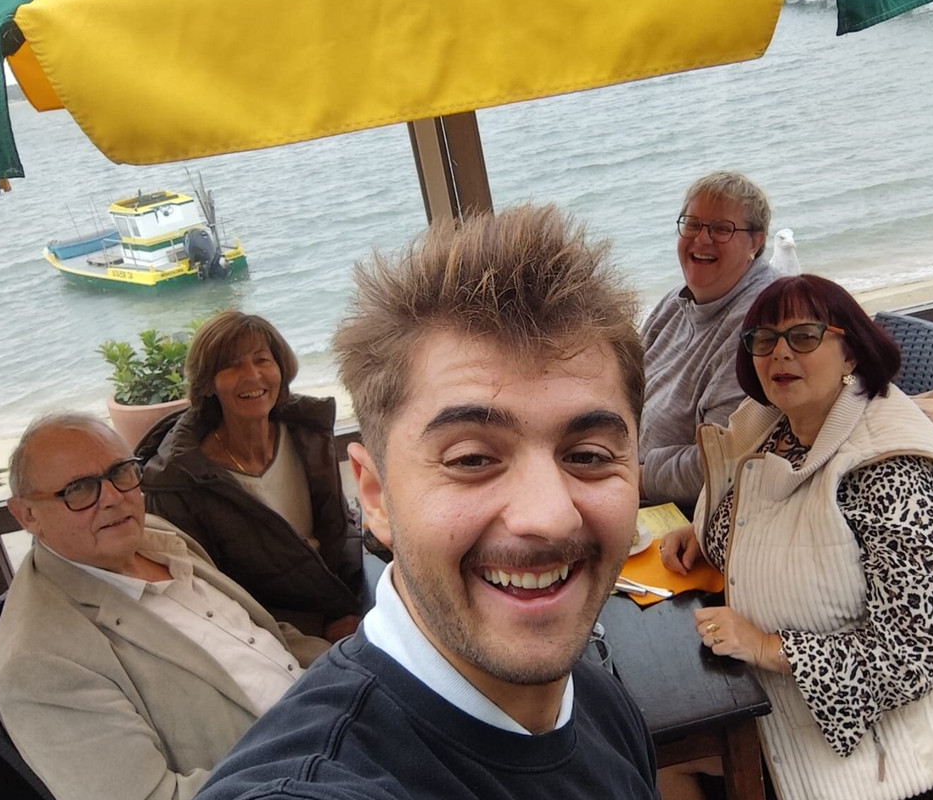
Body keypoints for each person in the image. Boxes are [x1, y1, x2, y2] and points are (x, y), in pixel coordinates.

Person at [196, 204, 660, 800]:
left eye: (589, 456)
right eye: (471, 459)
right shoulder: (320, 784)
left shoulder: (596, 701)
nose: (548, 516)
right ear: (375, 495)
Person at [659, 275, 933, 800]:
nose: (779, 353)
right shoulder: (780, 427)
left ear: (851, 354)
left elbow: (914, 656)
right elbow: (775, 520)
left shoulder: (894, 476)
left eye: (803, 336)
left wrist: (765, 646)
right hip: (779, 691)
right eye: (763, 339)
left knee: (658, 756)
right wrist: (706, 529)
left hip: (872, 732)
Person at [0, 413, 330, 800]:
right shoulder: (38, 663)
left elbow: (259, 635)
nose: (113, 498)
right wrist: (324, 766)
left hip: (331, 707)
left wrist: (352, 665)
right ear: (27, 515)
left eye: (120, 471)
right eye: (79, 489)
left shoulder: (156, 534)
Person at [138, 311, 364, 641]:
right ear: (208, 383)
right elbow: (206, 591)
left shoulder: (306, 430)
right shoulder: (179, 481)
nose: (252, 375)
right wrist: (315, 629)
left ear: (280, 367)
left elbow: (337, 527)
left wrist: (355, 599)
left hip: (348, 590)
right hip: (274, 630)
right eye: (231, 366)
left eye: (262, 360)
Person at [639, 170, 779, 507]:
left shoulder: (761, 327)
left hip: (681, 508)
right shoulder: (677, 301)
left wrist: (629, 479)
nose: (702, 240)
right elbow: (625, 384)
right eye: (692, 224)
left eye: (721, 228)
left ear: (755, 242)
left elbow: (718, 463)